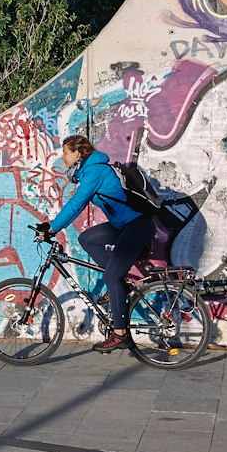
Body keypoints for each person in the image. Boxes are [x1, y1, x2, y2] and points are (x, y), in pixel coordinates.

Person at [35, 132, 155, 353]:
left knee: (110, 276)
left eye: (66, 153)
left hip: (137, 227)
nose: (63, 158)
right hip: (125, 226)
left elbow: (76, 204)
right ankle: (121, 284)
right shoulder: (90, 170)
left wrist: (52, 227)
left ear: (78, 153)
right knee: (87, 238)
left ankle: (120, 333)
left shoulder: (95, 171)